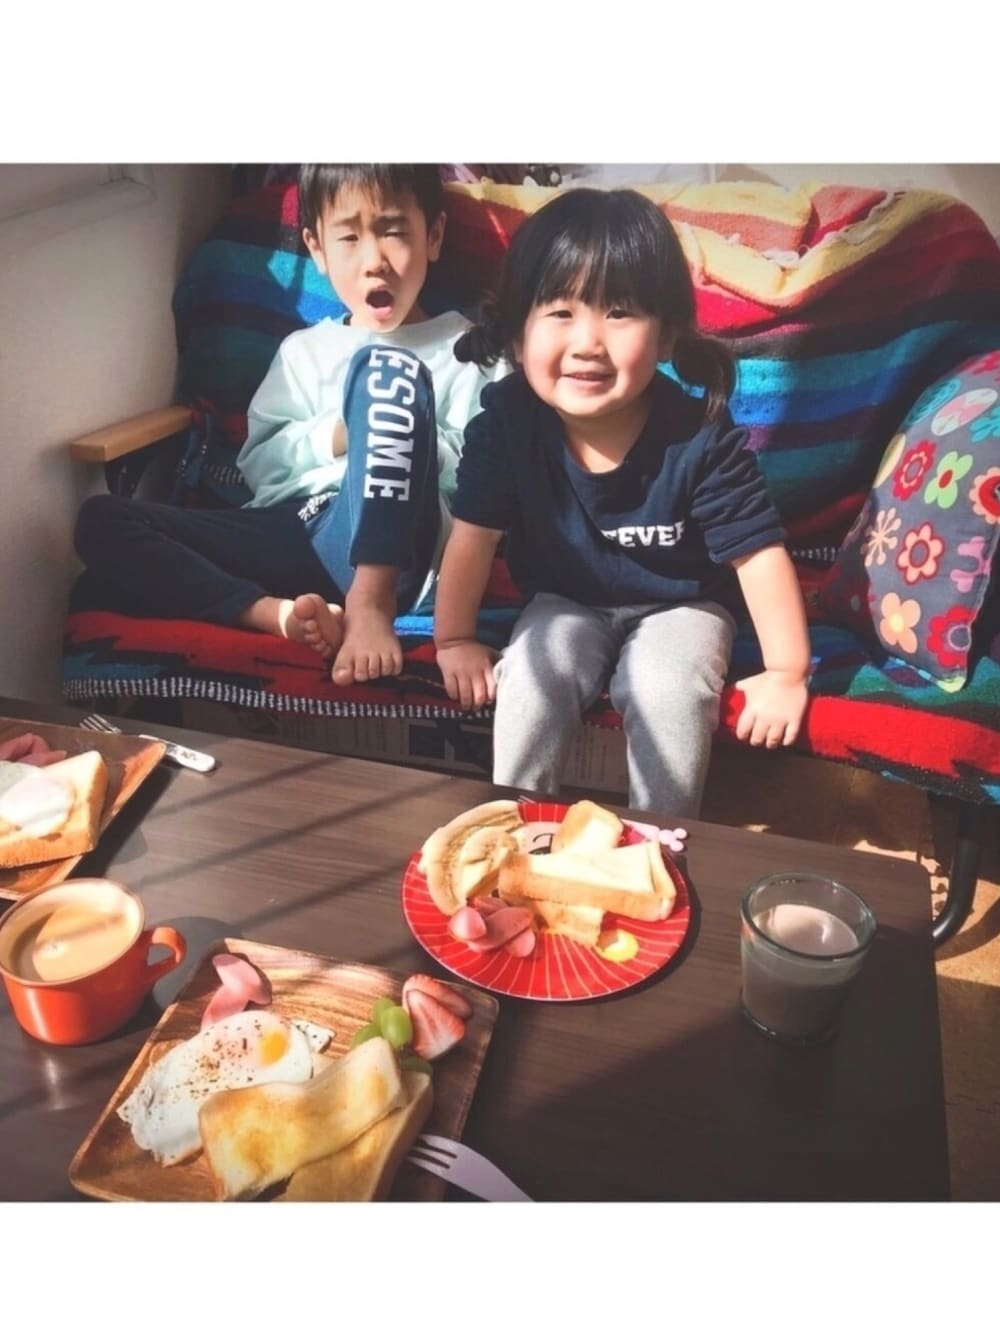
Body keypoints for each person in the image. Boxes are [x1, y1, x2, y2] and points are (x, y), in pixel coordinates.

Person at [433, 187, 811, 818]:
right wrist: (453, 640)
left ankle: (661, 843)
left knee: (667, 686)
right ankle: (518, 830)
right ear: (517, 335)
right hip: (565, 602)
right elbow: (473, 536)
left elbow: (759, 555)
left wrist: (788, 672)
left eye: (619, 312)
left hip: (682, 605)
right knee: (532, 674)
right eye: (560, 311)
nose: (588, 341)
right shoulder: (507, 423)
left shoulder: (700, 436)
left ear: (666, 337)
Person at [73, 164, 497, 686]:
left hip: (402, 545)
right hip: (297, 533)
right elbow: (262, 463)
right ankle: (274, 615)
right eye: (349, 238)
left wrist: (398, 433)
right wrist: (343, 434)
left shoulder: (469, 350)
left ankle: (370, 603)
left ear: (432, 236)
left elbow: (487, 480)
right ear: (317, 249)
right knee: (102, 521)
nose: (374, 261)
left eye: (393, 232)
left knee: (387, 372)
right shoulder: (303, 351)